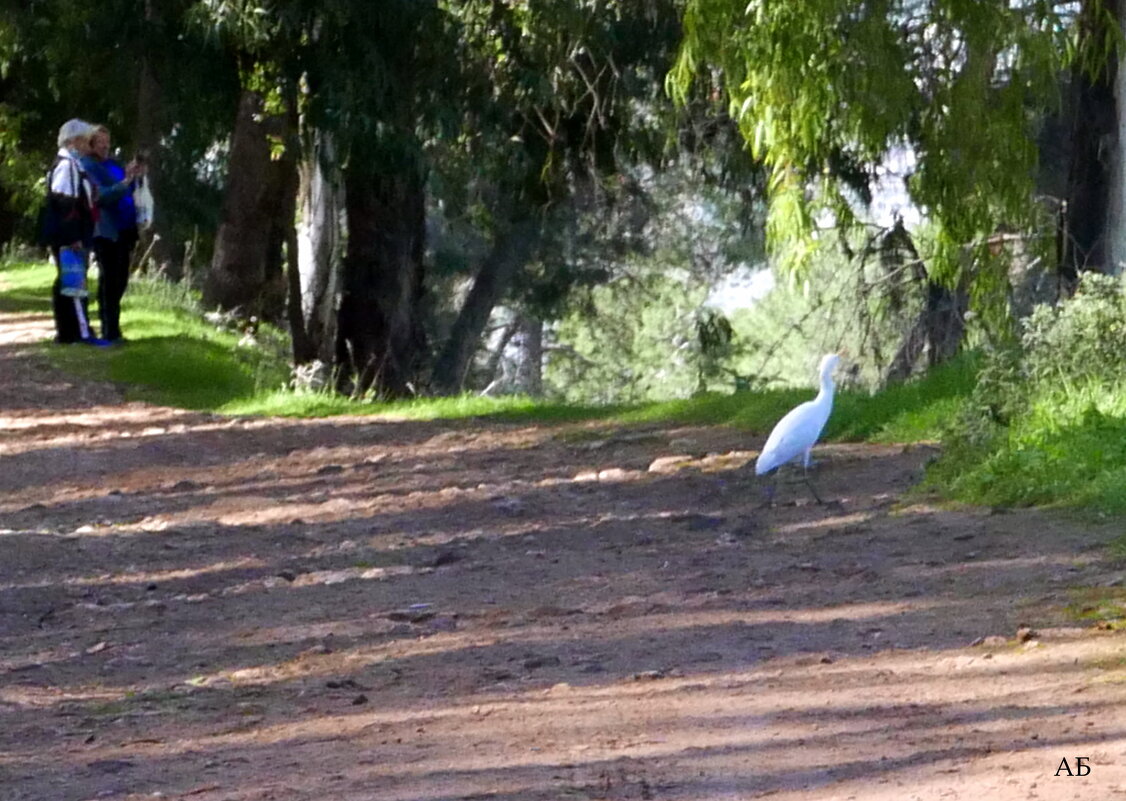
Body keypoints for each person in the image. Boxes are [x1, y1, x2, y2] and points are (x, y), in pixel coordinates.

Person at [42, 119, 103, 345]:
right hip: (69, 236)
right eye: (87, 140)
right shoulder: (66, 166)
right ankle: (78, 332)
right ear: (75, 141)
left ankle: (70, 331)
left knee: (69, 282)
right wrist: (73, 237)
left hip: (75, 233)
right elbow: (64, 203)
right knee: (73, 283)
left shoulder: (74, 165)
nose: (89, 145)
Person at [83, 125, 143, 342]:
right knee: (110, 279)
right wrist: (124, 182)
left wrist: (132, 176)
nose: (105, 146)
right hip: (105, 229)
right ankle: (110, 329)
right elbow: (100, 196)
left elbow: (125, 186)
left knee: (120, 279)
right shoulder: (88, 166)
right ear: (91, 144)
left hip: (124, 229)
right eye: (100, 142)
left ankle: (112, 326)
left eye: (107, 142)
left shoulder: (111, 164)